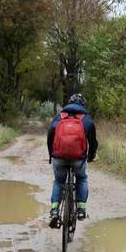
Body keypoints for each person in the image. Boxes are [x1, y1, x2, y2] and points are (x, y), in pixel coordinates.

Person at [47, 93, 98, 228]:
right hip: (78, 159)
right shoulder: (86, 120)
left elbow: (50, 136)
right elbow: (93, 143)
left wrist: (51, 155)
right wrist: (91, 156)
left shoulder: (59, 117)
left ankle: (54, 209)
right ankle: (81, 209)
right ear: (83, 105)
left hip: (59, 158)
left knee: (59, 181)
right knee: (81, 178)